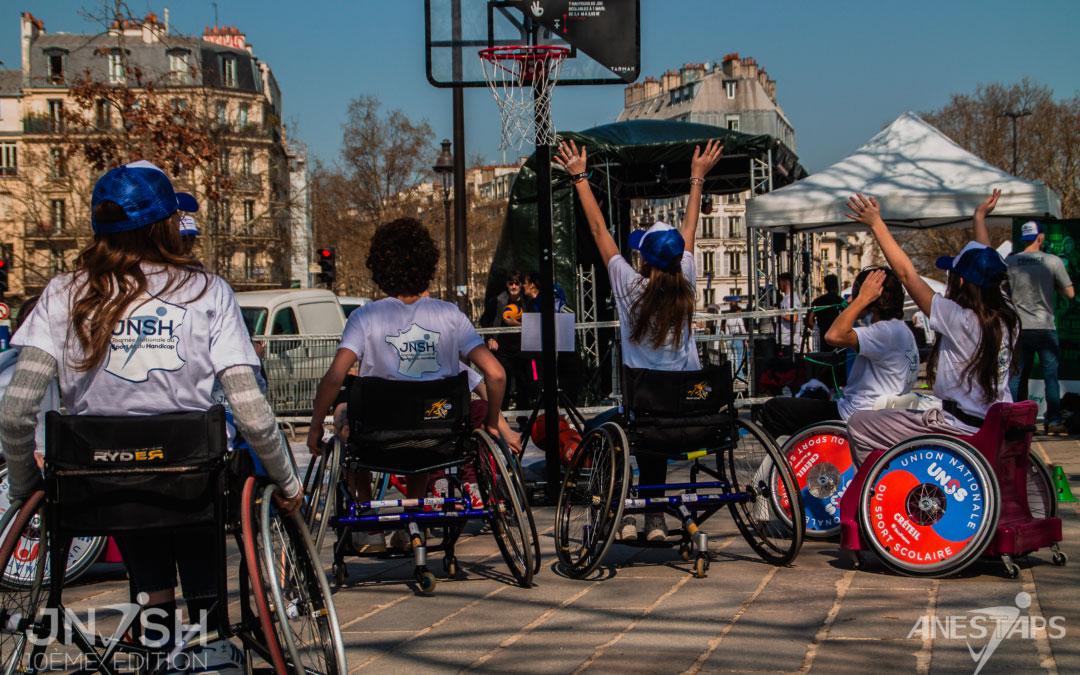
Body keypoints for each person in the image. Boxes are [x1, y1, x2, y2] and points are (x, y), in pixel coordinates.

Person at [0, 160, 301, 671]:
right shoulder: (206, 292)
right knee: (192, 489)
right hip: (191, 477)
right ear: (167, 223)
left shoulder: (62, 293)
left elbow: (15, 411)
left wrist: (26, 483)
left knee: (134, 509)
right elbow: (250, 408)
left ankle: (156, 635)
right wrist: (288, 481)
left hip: (98, 478)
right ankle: (208, 637)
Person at [555, 136, 723, 542]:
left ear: (643, 259)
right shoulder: (687, 283)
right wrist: (696, 178)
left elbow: (599, 230)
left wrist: (579, 176)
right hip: (687, 411)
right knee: (653, 425)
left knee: (608, 426)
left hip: (644, 406)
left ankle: (627, 510)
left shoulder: (630, 287)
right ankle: (654, 519)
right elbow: (690, 231)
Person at [306, 217, 508, 551]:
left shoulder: (366, 317)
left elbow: (334, 377)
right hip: (438, 432)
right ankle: (412, 519)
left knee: (347, 417)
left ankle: (369, 526)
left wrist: (315, 426)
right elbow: (495, 374)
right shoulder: (451, 316)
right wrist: (492, 421)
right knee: (422, 427)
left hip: (378, 433)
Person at [843, 192, 1018, 459]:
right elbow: (987, 265)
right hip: (991, 425)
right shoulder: (1007, 316)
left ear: (960, 282)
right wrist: (979, 218)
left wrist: (876, 223)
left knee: (860, 424)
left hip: (955, 427)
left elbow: (905, 274)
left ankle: (888, 490)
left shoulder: (958, 319)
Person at [760, 268, 919, 439]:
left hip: (853, 416)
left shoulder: (884, 332)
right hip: (876, 414)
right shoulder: (902, 331)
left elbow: (833, 335)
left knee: (774, 409)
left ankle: (785, 462)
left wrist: (861, 300)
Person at [1006, 218, 1075, 434]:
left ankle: (1017, 420)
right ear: (1040, 236)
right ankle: (1053, 421)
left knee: (1017, 377)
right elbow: (1070, 293)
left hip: (1019, 328)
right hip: (1045, 327)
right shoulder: (1052, 261)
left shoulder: (1011, 262)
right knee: (1050, 377)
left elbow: (1003, 293)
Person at [480, 271, 531, 411]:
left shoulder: (527, 300)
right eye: (511, 283)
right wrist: (490, 338)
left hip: (523, 346)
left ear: (521, 285)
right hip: (502, 347)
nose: (514, 286)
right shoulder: (498, 300)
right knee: (504, 381)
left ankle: (523, 418)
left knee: (523, 382)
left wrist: (517, 324)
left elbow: (534, 321)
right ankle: (501, 416)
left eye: (517, 283)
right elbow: (485, 320)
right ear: (507, 285)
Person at [808, 274, 845, 351]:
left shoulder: (817, 301)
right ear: (837, 286)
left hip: (823, 338)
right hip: (838, 339)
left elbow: (809, 321)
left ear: (825, 286)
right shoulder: (841, 302)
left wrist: (817, 329)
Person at [777, 272, 803, 352]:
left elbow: (794, 317)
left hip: (789, 343)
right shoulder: (787, 298)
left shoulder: (791, 298)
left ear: (786, 282)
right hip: (786, 341)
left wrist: (779, 313)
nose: (779, 285)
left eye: (780, 282)